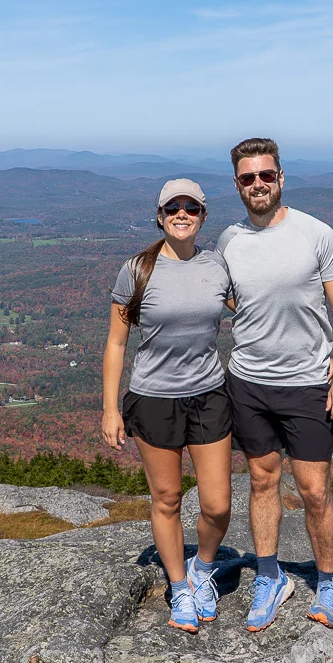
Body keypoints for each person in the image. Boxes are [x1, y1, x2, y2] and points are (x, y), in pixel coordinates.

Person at [215, 137, 333, 631]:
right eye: (248, 177)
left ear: (281, 177)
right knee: (261, 481)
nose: (258, 184)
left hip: (307, 385)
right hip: (249, 382)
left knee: (315, 490)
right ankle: (270, 577)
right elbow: (229, 298)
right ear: (237, 184)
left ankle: (328, 581)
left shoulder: (316, 234)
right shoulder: (229, 240)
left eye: (266, 175)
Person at [101, 178, 235, 632]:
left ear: (202, 217)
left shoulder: (218, 267)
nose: (182, 214)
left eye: (191, 208)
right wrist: (109, 408)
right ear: (159, 216)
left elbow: (255, 312)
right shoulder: (137, 270)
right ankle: (179, 586)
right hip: (154, 398)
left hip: (210, 392)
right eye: (172, 208)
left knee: (217, 504)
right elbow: (117, 343)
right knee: (168, 498)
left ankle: (202, 570)